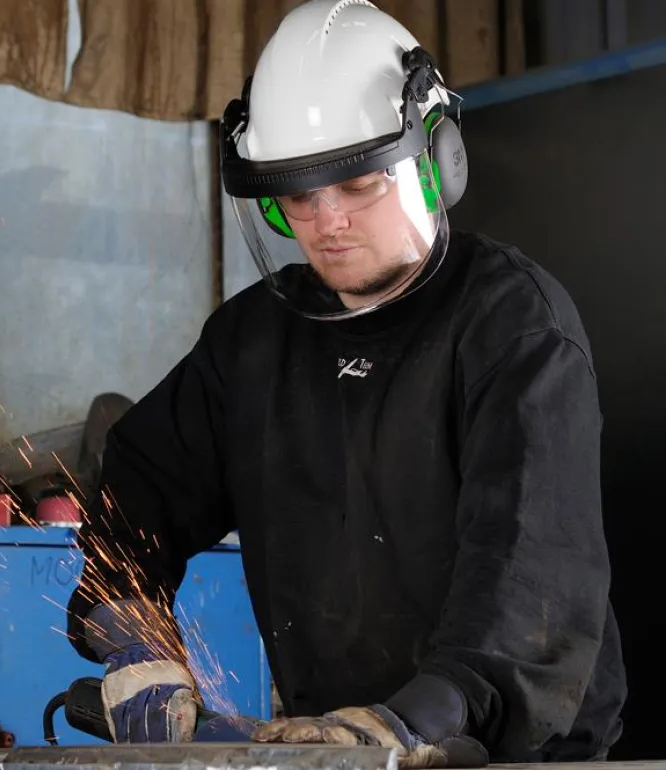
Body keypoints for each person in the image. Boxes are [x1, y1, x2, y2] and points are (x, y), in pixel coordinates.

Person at [66, 0, 627, 764]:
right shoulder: (251, 343)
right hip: (337, 746)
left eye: (358, 183)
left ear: (437, 158)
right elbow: (140, 492)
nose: (326, 221)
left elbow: (531, 576)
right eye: (299, 195)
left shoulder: (513, 328)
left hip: (508, 750)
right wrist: (133, 638)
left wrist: (414, 721)